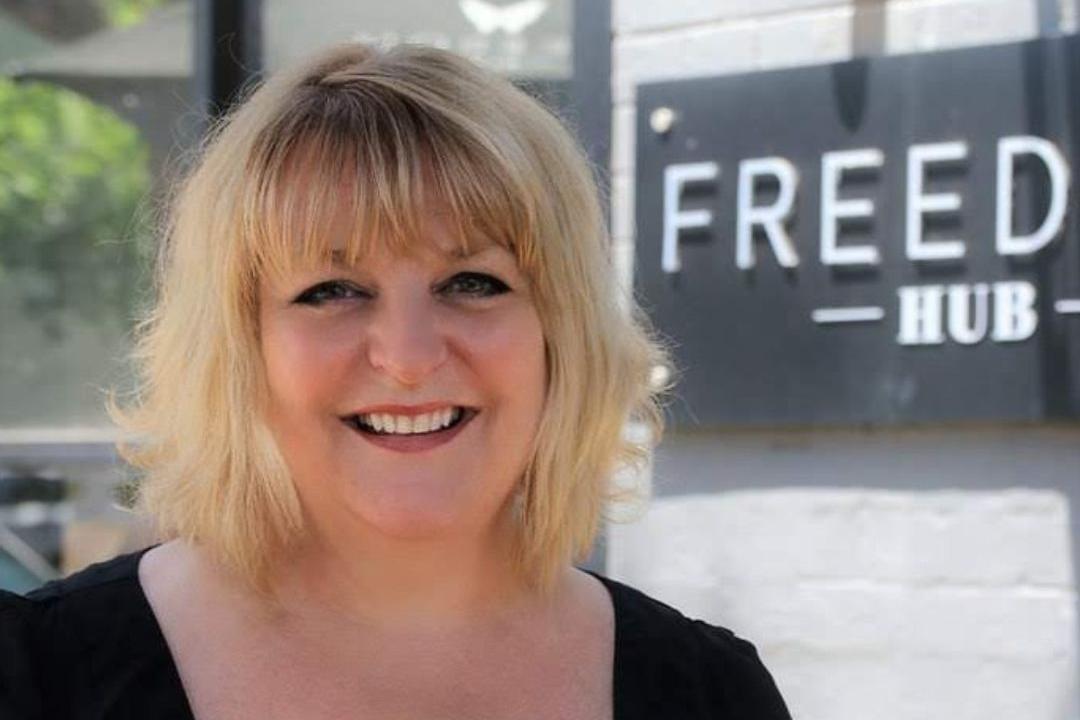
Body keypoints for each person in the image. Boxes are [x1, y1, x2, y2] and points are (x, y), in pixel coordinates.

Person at [0, 43, 791, 719]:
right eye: (331, 291)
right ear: (240, 346)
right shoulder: (37, 679)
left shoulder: (711, 695)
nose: (408, 355)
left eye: (473, 282)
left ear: (561, 331)